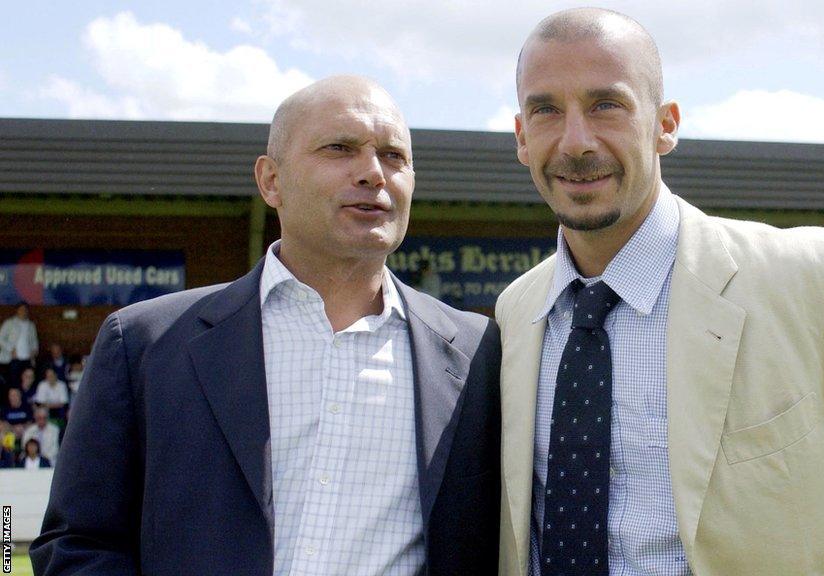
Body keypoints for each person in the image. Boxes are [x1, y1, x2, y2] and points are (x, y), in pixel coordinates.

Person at [495, 8, 824, 576]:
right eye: (546, 111)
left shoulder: (815, 280)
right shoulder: (515, 314)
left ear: (665, 124)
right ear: (521, 136)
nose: (576, 141)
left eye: (606, 105)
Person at [31, 76, 501, 576]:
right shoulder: (145, 344)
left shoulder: (477, 354)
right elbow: (76, 543)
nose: (372, 173)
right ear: (270, 180)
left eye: (393, 156)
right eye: (340, 148)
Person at [0, 302, 38, 384]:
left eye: (25, 310)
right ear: (17, 311)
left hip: (27, 360)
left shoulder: (31, 325)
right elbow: (1, 338)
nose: (23, 311)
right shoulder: (9, 323)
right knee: (13, 382)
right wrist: (10, 349)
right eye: (21, 309)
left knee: (27, 382)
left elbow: (34, 340)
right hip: (13, 359)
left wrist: (34, 350)